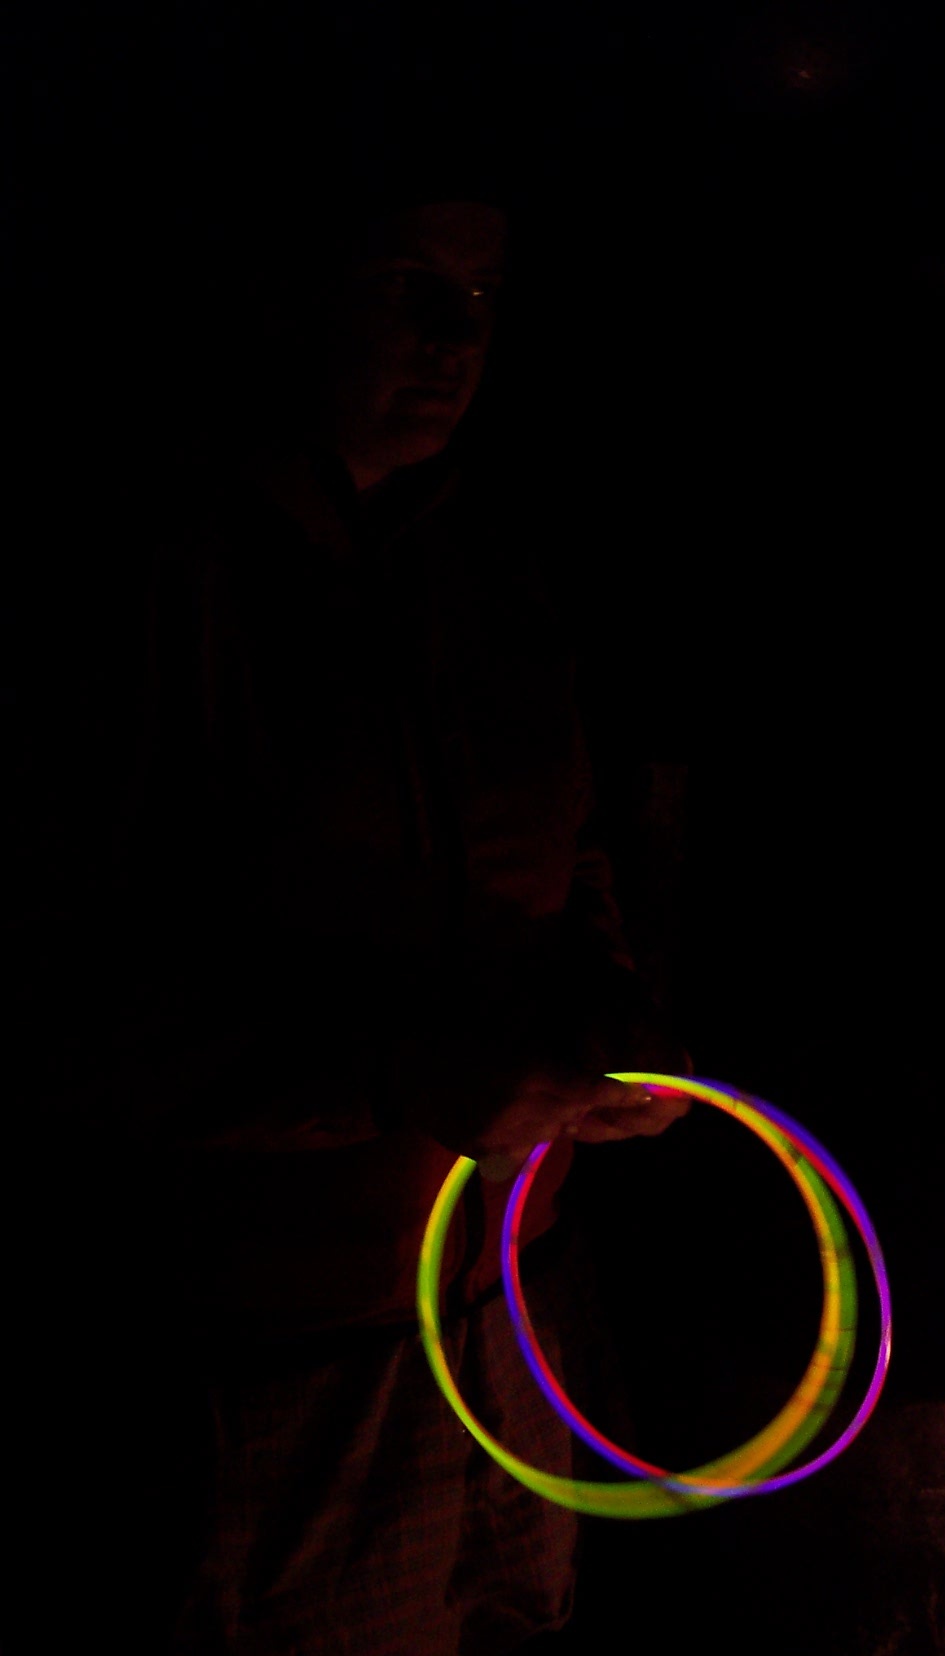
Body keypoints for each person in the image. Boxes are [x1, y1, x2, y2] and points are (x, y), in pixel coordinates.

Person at [12, 168, 689, 1656]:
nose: (458, 336)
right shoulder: (143, 582)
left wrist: (604, 1002)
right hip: (273, 1360)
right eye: (408, 288)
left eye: (483, 297)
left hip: (506, 1310)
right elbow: (49, 1006)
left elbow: (565, 848)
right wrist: (389, 1077)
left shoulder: (488, 566)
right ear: (285, 300)